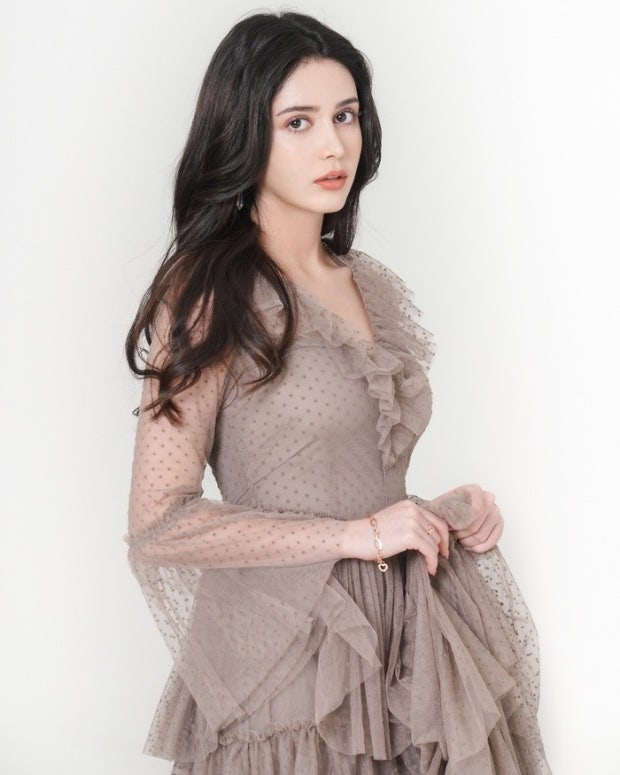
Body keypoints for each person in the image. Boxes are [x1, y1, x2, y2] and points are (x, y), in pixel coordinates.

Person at [125, 11, 550, 774]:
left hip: (407, 642)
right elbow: (159, 522)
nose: (334, 145)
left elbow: (355, 483)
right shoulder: (210, 297)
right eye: (299, 122)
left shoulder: (368, 284)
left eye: (346, 115)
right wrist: (354, 535)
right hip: (291, 662)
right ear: (244, 135)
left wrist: (433, 513)